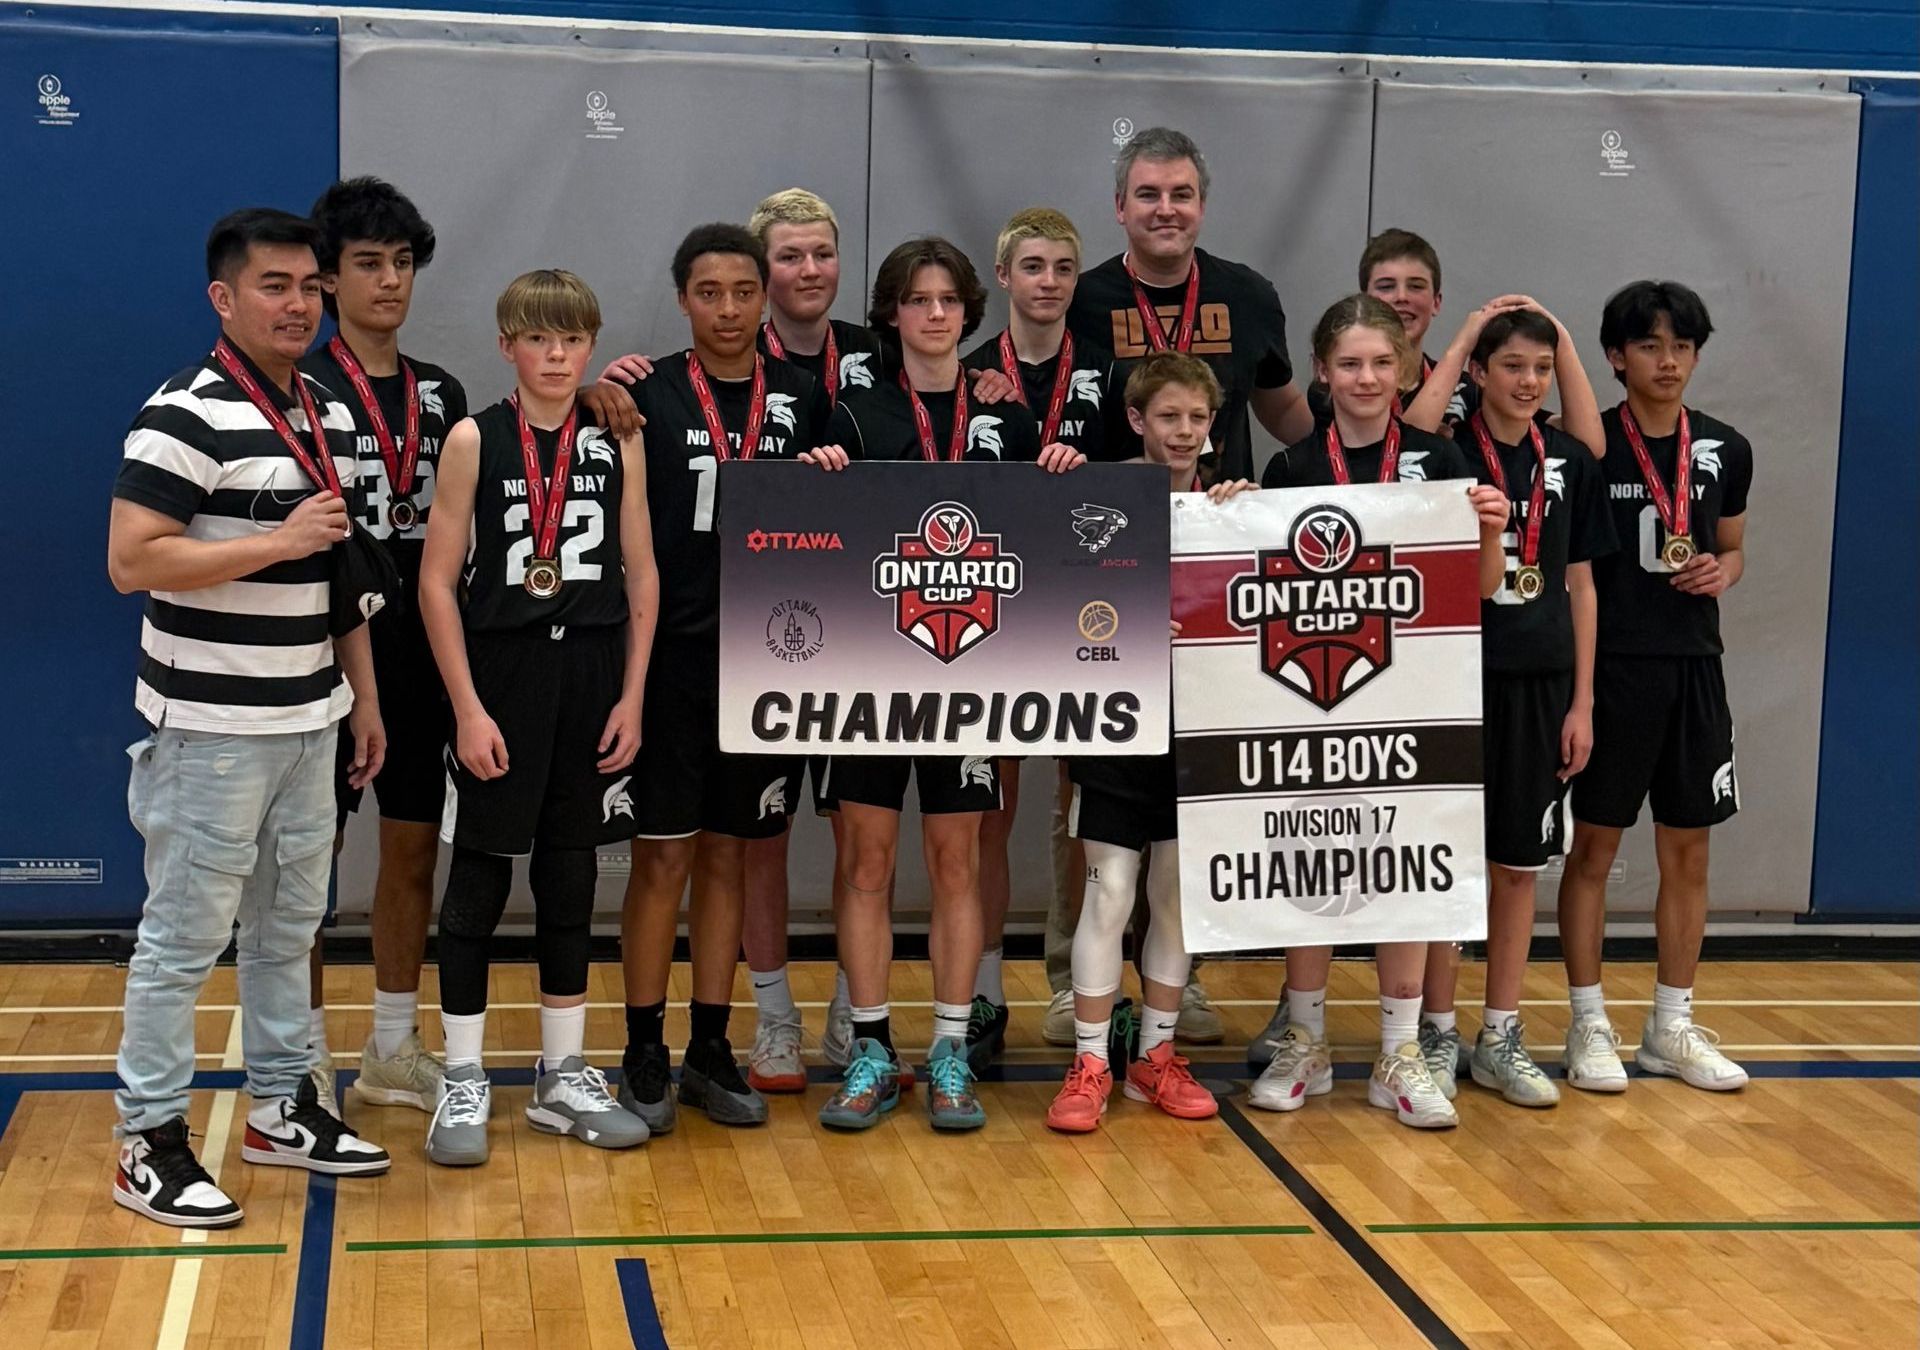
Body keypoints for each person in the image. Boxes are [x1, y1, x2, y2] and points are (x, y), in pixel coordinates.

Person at [107, 208, 392, 1227]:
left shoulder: (332, 409)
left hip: (310, 719)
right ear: (224, 299)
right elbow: (132, 560)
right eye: (275, 286)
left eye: (311, 286)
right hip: (211, 732)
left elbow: (341, 572)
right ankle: (146, 1141)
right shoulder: (183, 412)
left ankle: (281, 1109)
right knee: (183, 941)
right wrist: (269, 546)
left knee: (286, 931)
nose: (299, 304)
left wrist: (358, 695)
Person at [814, 236, 1078, 1132]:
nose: (935, 315)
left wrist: (1061, 480)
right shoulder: (850, 416)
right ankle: (875, 1049)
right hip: (866, 677)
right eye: (917, 300)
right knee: (867, 864)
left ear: (970, 312)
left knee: (959, 859)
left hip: (975, 678)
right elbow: (808, 541)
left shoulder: (1007, 420)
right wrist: (816, 485)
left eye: (949, 301)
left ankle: (954, 1047)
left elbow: (1047, 539)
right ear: (891, 314)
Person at [1068, 124, 1317, 1042]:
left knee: (1193, 799)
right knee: (1095, 801)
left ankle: (1181, 988)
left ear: (1201, 205)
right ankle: (1075, 982)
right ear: (1120, 207)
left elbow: (1290, 417)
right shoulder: (1084, 299)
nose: (1164, 209)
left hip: (1215, 575)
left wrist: (1376, 490)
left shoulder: (1248, 296)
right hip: (1103, 563)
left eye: (1180, 194)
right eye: (1147, 194)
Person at [1249, 294, 1509, 1130]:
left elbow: (1486, 588)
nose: (1366, 378)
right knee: (1312, 870)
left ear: (1406, 372)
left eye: (1381, 364)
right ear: (1322, 372)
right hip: (1310, 708)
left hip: (1414, 706)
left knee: (1399, 870)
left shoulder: (1443, 461)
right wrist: (1228, 514)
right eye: (1349, 364)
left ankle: (1399, 1051)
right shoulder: (1290, 469)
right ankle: (1307, 1038)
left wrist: (1494, 532)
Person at [417, 269, 658, 1166]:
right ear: (507, 344)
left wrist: (631, 693)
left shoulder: (616, 435)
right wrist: (468, 708)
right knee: (478, 881)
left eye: (571, 342)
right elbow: (436, 582)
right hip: (503, 674)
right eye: (538, 341)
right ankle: (466, 1077)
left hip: (593, 670)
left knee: (570, 882)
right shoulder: (476, 438)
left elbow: (642, 572)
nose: (556, 357)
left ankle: (561, 1077)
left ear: (590, 347)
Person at [614, 224, 850, 1133]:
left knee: (729, 856)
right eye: (707, 292)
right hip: (672, 658)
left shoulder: (803, 399)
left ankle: (710, 1046)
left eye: (742, 292)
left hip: (768, 661)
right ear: (682, 300)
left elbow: (838, 525)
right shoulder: (646, 397)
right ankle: (643, 1045)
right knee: (662, 857)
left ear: (765, 299)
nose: (727, 309)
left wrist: (829, 475)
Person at [1414, 306, 1616, 1108]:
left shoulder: (1568, 456)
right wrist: (1465, 334)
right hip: (1453, 680)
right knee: (1442, 867)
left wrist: (1585, 701)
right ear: (1478, 372)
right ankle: (1434, 1029)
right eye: (1510, 366)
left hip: (1540, 682)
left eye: (1541, 367)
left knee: (1517, 866)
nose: (1528, 382)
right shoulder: (1446, 451)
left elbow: (1581, 585)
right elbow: (1413, 426)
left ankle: (1500, 1033)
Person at [297, 177, 467, 1115]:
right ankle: (302, 1057)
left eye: (402, 264)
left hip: (420, 656)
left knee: (409, 853)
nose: (390, 282)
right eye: (368, 264)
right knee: (304, 868)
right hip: (323, 657)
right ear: (326, 280)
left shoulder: (443, 393)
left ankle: (393, 1045)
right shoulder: (300, 390)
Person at [1558, 280, 1753, 1093]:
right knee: (1595, 848)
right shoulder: (1590, 447)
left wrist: (1722, 570)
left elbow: (1735, 548)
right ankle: (1587, 1021)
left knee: (1689, 849)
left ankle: (1670, 1024)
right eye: (1649, 345)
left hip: (1695, 669)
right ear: (1615, 357)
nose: (1667, 361)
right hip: (1614, 673)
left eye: (1681, 346)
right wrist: (1584, 694)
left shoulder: (1725, 448)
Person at [1048, 350, 1240, 1132]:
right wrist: (1124, 622)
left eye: (1197, 419)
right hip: (1116, 725)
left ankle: (1153, 1059)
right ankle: (1091, 1061)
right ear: (1136, 420)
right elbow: (1055, 599)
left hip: (1200, 726)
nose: (1185, 432)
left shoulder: (1232, 509)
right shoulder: (1097, 498)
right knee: (1111, 891)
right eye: (1169, 417)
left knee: (1174, 896)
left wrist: (1250, 521)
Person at [959, 206, 1121, 1066]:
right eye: (1032, 267)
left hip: (1084, 605)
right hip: (986, 610)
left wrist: (1088, 472)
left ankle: (1075, 982)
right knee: (992, 804)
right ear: (1005, 279)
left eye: (1063, 267)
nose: (1049, 282)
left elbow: (1146, 477)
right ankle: (983, 996)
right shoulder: (965, 370)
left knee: (1084, 804)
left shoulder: (1108, 372)